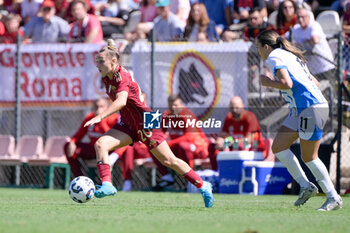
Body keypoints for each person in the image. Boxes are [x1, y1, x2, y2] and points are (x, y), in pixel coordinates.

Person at [84, 39, 213, 208]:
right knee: (101, 144)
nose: (98, 65)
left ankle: (203, 186)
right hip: (129, 124)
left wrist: (101, 116)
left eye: (101, 62)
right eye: (97, 62)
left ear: (113, 61)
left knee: (169, 161)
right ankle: (108, 185)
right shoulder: (107, 77)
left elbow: (122, 101)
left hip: (146, 122)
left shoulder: (122, 76)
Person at [255, 30, 342, 211]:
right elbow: (315, 82)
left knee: (309, 157)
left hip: (309, 108)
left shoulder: (275, 57)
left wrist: (268, 82)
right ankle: (306, 185)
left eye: (258, 47)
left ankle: (333, 197)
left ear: (266, 46)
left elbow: (288, 84)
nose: (258, 52)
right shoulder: (290, 56)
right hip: (302, 108)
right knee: (278, 147)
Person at [152, 95, 209, 191]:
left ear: (181, 105)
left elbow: (188, 137)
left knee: (183, 146)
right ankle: (167, 178)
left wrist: (169, 144)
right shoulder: (167, 115)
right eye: (171, 106)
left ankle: (190, 181)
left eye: (176, 105)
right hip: (178, 148)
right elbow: (161, 133)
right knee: (153, 145)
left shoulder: (186, 115)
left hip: (198, 148)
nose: (173, 108)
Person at [64, 98, 124, 177]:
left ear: (107, 108)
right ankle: (79, 176)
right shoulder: (89, 118)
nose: (99, 109)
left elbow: (110, 136)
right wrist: (72, 142)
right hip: (94, 148)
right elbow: (79, 134)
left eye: (102, 107)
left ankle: (125, 180)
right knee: (68, 146)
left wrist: (101, 119)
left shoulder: (114, 118)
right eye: (96, 107)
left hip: (109, 150)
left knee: (126, 146)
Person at [208, 96, 265, 171]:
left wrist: (231, 141)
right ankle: (217, 173)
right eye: (232, 108)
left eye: (237, 108)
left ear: (242, 106)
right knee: (213, 147)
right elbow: (223, 134)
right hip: (234, 146)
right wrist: (220, 140)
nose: (234, 110)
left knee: (241, 146)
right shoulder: (229, 117)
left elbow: (248, 140)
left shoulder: (250, 117)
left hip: (252, 148)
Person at [289, 7, 335, 81]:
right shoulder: (296, 28)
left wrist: (300, 43)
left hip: (325, 67)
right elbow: (284, 38)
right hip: (311, 70)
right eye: (298, 17)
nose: (300, 19)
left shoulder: (314, 25)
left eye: (303, 17)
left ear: (308, 17)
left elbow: (315, 40)